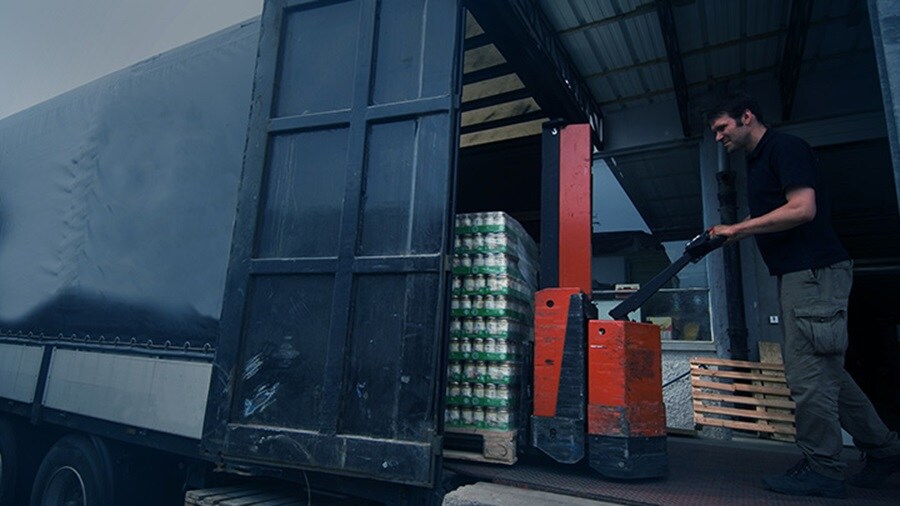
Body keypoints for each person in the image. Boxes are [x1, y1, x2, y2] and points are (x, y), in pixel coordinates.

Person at [706, 94, 900, 498]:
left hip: (811, 273)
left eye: (723, 128)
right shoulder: (759, 160)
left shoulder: (785, 148)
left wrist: (737, 230)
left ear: (747, 116)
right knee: (828, 374)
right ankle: (884, 450)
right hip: (799, 275)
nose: (719, 138)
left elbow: (802, 209)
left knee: (807, 378)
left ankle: (824, 469)